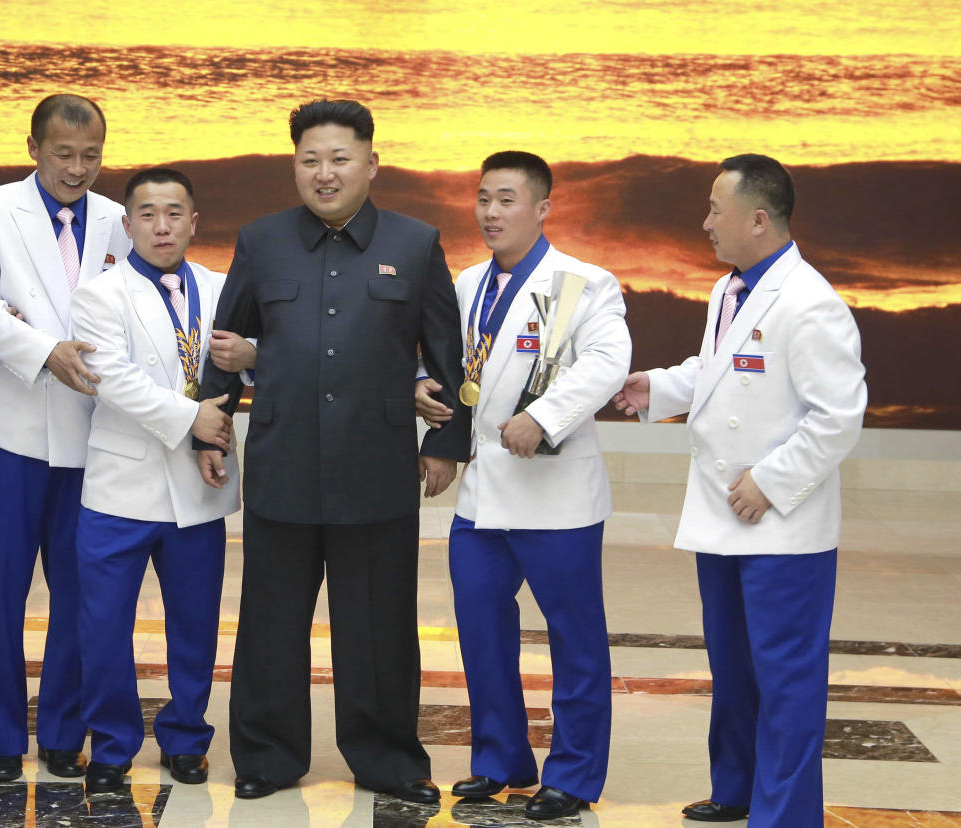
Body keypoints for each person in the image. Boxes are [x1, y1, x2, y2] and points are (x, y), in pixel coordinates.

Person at [195, 98, 471, 804]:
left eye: (339, 159)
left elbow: (445, 356)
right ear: (295, 165)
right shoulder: (262, 242)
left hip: (375, 469)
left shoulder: (414, 243)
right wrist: (212, 425)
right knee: (270, 622)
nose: (324, 174)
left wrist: (443, 443)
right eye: (309, 160)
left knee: (378, 627)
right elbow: (226, 347)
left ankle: (388, 761)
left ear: (371, 164)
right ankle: (266, 755)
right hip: (283, 466)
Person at [612, 154, 867, 827]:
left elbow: (838, 419)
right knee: (734, 669)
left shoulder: (812, 303)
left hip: (780, 525)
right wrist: (658, 388)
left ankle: (783, 816)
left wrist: (772, 481)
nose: (704, 224)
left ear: (759, 218)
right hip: (724, 518)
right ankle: (738, 789)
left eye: (715, 212)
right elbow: (720, 371)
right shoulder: (731, 289)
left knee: (786, 682)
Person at [414, 151, 630, 820]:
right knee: (480, 631)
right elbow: (447, 368)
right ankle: (500, 759)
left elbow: (607, 361)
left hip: (557, 497)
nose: (490, 212)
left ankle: (572, 774)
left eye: (506, 199)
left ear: (542, 209)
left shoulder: (583, 283)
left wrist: (543, 416)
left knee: (575, 641)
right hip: (484, 499)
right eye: (482, 198)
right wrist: (427, 407)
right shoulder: (467, 282)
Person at [0, 93, 130, 783]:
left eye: (90, 156)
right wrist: (44, 349)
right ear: (34, 148)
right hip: (11, 432)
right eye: (63, 155)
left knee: (80, 593)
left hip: (91, 438)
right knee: (0, 593)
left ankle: (63, 731)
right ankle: (2, 737)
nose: (77, 169)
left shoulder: (120, 221)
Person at [70, 167, 241, 794]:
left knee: (194, 625)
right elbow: (111, 378)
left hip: (202, 481)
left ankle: (187, 737)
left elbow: (235, 365)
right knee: (104, 625)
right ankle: (113, 744)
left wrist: (208, 430)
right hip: (120, 487)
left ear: (194, 222)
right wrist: (192, 419)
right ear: (127, 223)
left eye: (174, 213)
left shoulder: (223, 287)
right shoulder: (98, 294)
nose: (161, 226)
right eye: (147, 213)